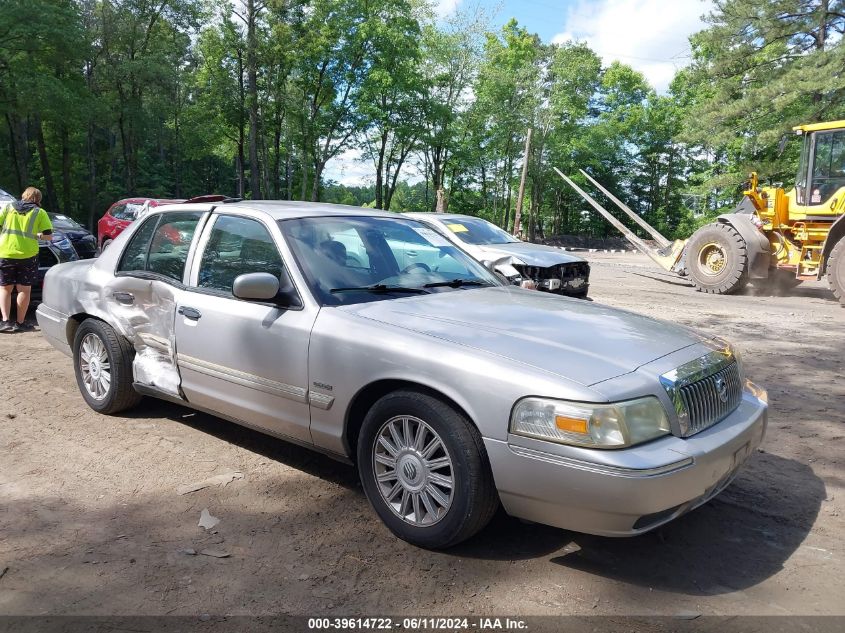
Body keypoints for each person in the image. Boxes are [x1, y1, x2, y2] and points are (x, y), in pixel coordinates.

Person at [0, 187, 53, 333]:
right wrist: (37, 236)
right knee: (24, 290)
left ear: (24, 196)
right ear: (38, 199)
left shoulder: (9, 207)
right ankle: (20, 322)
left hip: (6, 252)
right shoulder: (39, 212)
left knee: (5, 288)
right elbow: (48, 236)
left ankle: (5, 322)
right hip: (28, 255)